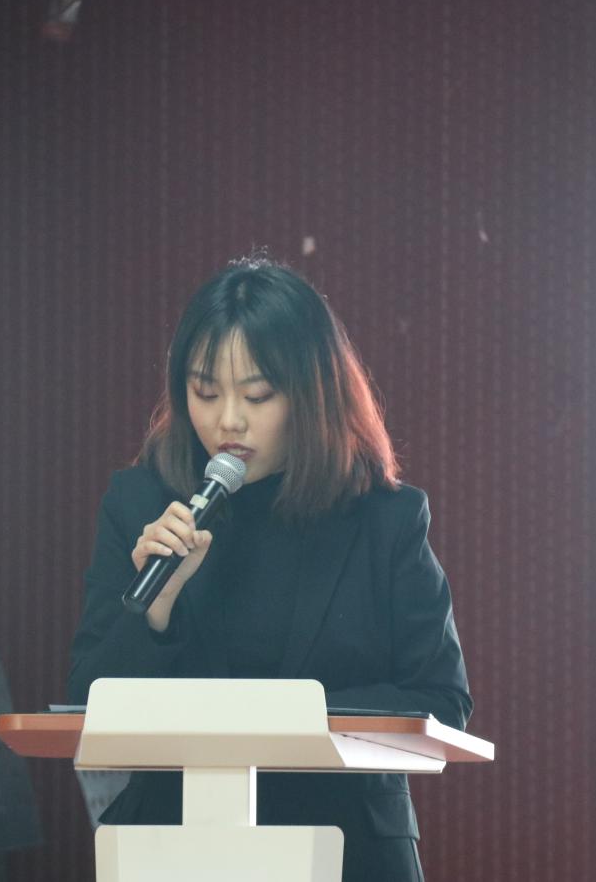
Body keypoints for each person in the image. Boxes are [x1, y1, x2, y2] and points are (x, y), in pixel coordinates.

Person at [67, 255, 471, 881]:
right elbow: (86, 700)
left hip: (348, 844)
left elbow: (442, 699)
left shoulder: (384, 519)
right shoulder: (143, 503)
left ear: (311, 394)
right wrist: (156, 612)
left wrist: (283, 718)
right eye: (205, 393)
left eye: (257, 395)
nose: (228, 420)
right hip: (176, 841)